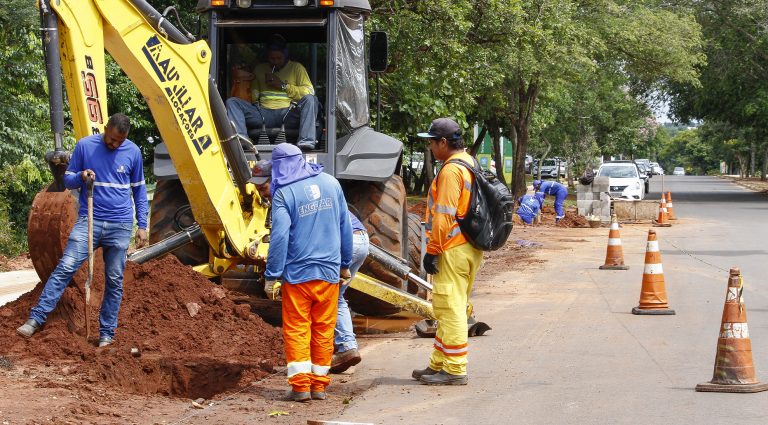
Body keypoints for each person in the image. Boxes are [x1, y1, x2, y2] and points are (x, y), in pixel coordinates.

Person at [17, 114, 148, 347]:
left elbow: (139, 190)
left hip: (120, 225)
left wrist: (143, 226)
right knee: (66, 266)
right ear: (105, 129)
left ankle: (106, 333)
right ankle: (36, 319)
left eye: (120, 141)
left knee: (115, 279)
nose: (115, 145)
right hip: (90, 220)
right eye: (111, 139)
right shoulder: (85, 146)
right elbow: (67, 180)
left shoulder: (133, 152)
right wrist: (81, 176)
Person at [263, 143, 353, 402]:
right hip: (328, 273)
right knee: (324, 329)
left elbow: (279, 236)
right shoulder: (331, 184)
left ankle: (300, 387)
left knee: (297, 328)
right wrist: (345, 263)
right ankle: (319, 386)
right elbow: (344, 225)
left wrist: (272, 275)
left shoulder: (284, 194)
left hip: (298, 276)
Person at [413, 117, 483, 386]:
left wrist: (432, 250)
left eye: (431, 142)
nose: (430, 147)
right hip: (468, 247)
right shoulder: (470, 162)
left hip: (451, 248)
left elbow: (443, 215)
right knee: (448, 308)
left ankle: (454, 370)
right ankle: (438, 364)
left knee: (451, 309)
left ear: (443, 142)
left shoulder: (451, 171)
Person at [225, 34, 319, 150]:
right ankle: (242, 140)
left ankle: (306, 141)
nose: (275, 62)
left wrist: (283, 85)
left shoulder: (297, 68)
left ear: (285, 56)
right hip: (263, 114)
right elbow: (254, 98)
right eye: (272, 59)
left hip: (288, 113)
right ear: (267, 57)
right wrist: (248, 80)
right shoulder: (260, 69)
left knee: (311, 100)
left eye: (279, 58)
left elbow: (309, 92)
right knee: (232, 102)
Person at [329, 211, 369, 374]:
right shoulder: (327, 190)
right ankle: (347, 347)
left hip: (346, 242)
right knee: (336, 296)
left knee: (323, 296)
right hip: (362, 239)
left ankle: (323, 353)